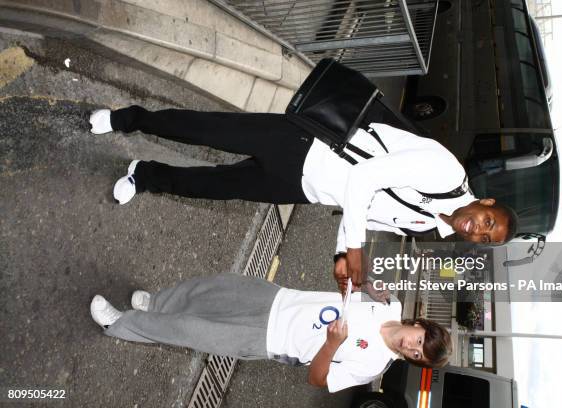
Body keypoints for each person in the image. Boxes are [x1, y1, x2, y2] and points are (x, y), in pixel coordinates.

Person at [89, 106, 518, 289]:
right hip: (305, 145)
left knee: (212, 187)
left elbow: (361, 215)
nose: (477, 232)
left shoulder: (428, 227)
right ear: (487, 205)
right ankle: (129, 119)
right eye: (487, 225)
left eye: (484, 240)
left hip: (302, 188)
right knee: (204, 130)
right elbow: (366, 178)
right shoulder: (447, 173)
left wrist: (341, 261)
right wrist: (354, 251)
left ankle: (143, 176)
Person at [90, 273, 452, 393]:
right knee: (208, 291)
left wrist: (331, 345)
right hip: (276, 298)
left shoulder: (373, 365)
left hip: (268, 340)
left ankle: (118, 324)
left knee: (189, 331)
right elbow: (350, 284)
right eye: (419, 342)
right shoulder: (389, 304)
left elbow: (317, 379)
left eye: (416, 355)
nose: (411, 347)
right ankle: (155, 305)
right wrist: (364, 282)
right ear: (419, 326)